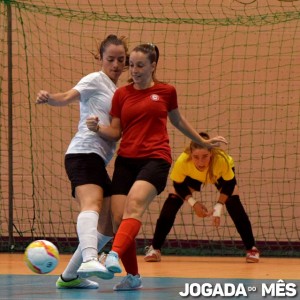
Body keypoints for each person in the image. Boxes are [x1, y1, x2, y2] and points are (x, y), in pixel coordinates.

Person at [86, 43, 228, 291]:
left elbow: (178, 120)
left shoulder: (166, 91)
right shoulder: (122, 94)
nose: (135, 70)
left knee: (134, 206)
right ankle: (132, 277)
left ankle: (113, 256)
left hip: (156, 159)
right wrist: (97, 128)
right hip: (126, 161)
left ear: (153, 65)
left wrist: (203, 141)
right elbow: (116, 131)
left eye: (140, 65)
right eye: (132, 65)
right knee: (119, 220)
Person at [35, 34, 129, 289]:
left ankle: (69, 276)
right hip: (82, 153)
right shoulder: (94, 80)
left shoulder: (119, 91)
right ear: (101, 58)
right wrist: (49, 97)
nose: (116, 64)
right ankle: (89, 258)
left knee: (108, 225)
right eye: (110, 59)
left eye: (121, 60)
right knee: (92, 203)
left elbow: (117, 132)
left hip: (99, 158)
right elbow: (67, 96)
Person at [144, 132, 260, 264]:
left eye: (205, 156)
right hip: (194, 177)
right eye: (196, 157)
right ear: (190, 155)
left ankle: (252, 249)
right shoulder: (183, 161)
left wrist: (218, 207)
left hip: (217, 175)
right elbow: (178, 184)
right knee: (172, 200)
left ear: (211, 153)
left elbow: (230, 184)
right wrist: (193, 203)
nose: (200, 162)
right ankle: (155, 248)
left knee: (233, 202)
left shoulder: (221, 160)